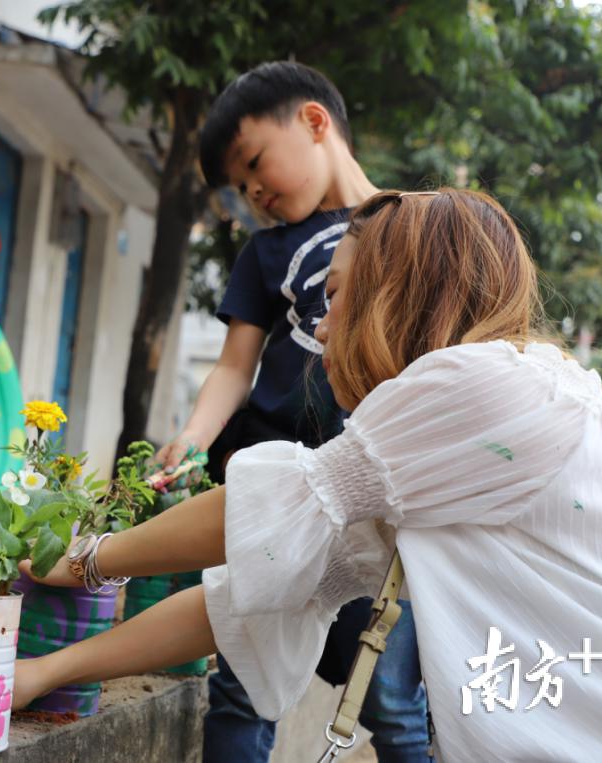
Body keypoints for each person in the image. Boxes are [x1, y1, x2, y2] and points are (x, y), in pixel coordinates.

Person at [14, 189, 602, 762]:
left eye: (338, 292)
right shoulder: (457, 445)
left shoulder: (492, 385)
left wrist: (83, 560)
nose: (320, 326)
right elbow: (236, 598)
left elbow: (263, 507)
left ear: (400, 288)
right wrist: (46, 673)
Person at [154, 61, 428, 762]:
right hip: (277, 485)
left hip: (375, 505)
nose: (254, 193)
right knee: (243, 676)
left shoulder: (420, 227)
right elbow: (233, 367)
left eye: (253, 164)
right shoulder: (265, 251)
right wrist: (191, 437)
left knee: (392, 701)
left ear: (313, 122)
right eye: (241, 188)